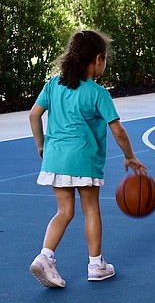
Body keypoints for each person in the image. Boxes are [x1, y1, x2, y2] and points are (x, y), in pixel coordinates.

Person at [28, 30, 147, 288]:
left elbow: (34, 116)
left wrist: (41, 145)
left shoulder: (52, 85)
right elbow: (118, 130)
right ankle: (96, 264)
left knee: (63, 212)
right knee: (90, 209)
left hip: (55, 158)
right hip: (84, 160)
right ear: (98, 59)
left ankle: (45, 256)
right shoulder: (97, 93)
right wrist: (130, 156)